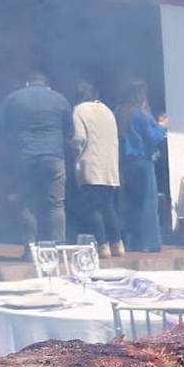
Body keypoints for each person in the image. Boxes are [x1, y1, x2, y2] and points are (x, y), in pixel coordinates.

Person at [2, 71, 73, 257]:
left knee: (27, 203)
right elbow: (69, 132)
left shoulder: (14, 98)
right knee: (56, 204)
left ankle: (30, 250)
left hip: (26, 157)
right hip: (54, 157)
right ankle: (59, 248)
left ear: (28, 83)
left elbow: (3, 129)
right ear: (47, 84)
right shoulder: (60, 99)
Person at [71, 82, 123, 258]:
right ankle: (118, 244)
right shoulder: (108, 110)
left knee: (93, 209)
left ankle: (103, 246)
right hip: (110, 166)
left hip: (90, 165)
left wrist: (73, 151)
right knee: (108, 207)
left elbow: (79, 138)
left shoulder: (79, 110)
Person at [117, 79, 168, 253]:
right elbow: (152, 138)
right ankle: (148, 243)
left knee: (130, 203)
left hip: (125, 163)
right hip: (142, 162)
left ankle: (131, 241)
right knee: (147, 202)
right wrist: (161, 127)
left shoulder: (119, 112)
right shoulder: (140, 115)